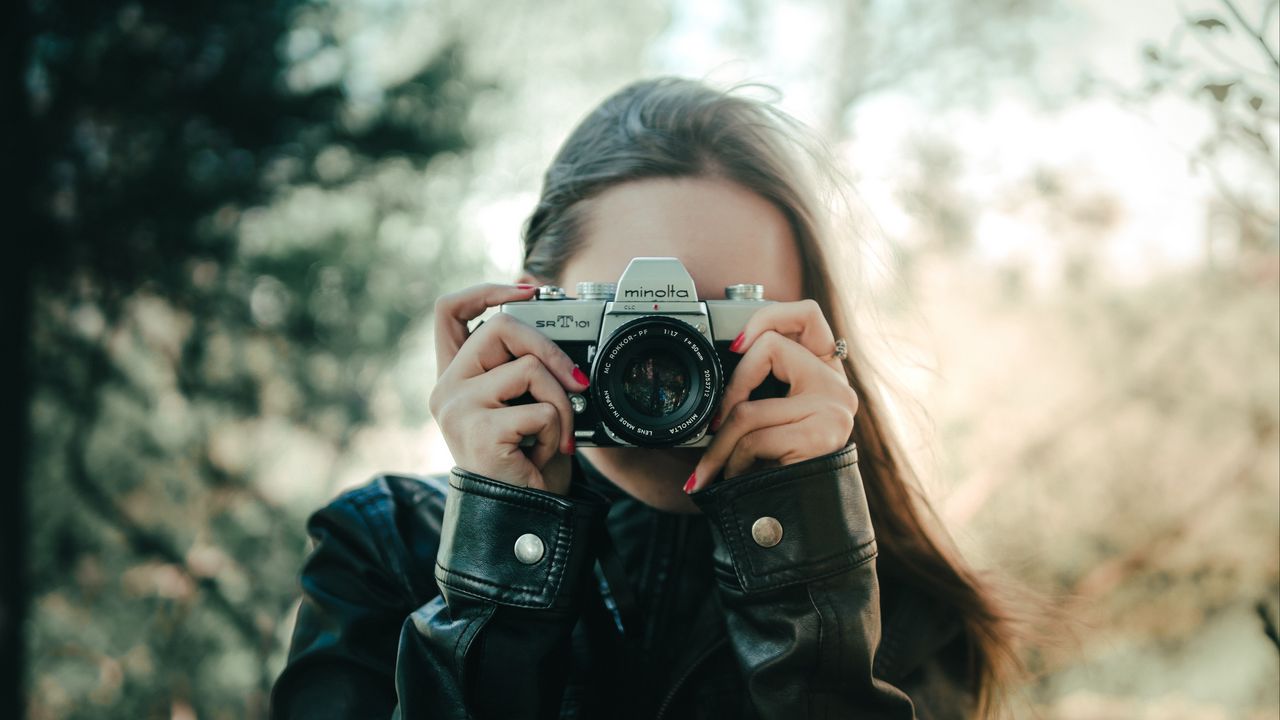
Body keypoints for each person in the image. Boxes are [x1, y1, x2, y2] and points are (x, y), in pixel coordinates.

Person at [271, 77, 1017, 719]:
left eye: (725, 321)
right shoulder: (383, 550)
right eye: (632, 317)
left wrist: (809, 591)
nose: (668, 363)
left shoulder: (900, 611)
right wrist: (496, 562)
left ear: (813, 347)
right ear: (533, 313)